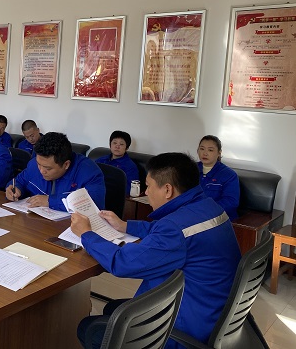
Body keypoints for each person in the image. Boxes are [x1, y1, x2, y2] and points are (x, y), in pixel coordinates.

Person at [71, 152, 241, 349]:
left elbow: (123, 263)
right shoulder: (208, 207)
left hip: (184, 325)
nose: (146, 192)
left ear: (167, 190)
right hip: (211, 308)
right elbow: (170, 231)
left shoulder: (174, 229)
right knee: (113, 308)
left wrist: (86, 234)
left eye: (149, 186)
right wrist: (125, 226)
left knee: (88, 328)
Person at [6, 132, 106, 210]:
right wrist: (14, 189)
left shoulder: (89, 172)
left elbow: (92, 203)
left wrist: (50, 201)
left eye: (48, 168)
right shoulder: (34, 164)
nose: (41, 171)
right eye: (39, 164)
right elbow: (19, 181)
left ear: (66, 164)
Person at [197, 135, 240, 220]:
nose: (205, 153)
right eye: (202, 149)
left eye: (210, 150)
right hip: (194, 216)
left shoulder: (228, 175)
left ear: (219, 153)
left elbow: (231, 202)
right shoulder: (190, 170)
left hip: (218, 219)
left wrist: (205, 210)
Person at [94, 130, 139, 194]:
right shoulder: (101, 160)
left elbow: (129, 189)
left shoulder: (130, 167)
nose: (117, 146)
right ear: (110, 145)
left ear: (127, 148)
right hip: (96, 192)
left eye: (121, 144)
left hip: (113, 195)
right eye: (114, 143)